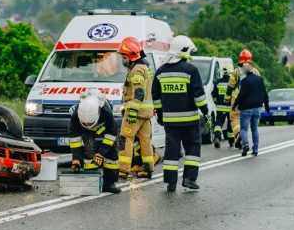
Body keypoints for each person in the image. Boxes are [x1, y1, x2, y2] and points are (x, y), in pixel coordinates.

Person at [151, 35, 207, 192]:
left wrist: (160, 115)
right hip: (190, 120)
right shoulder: (191, 70)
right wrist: (206, 112)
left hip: (170, 121)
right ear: (184, 50)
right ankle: (189, 179)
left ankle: (171, 182)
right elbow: (199, 96)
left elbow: (155, 96)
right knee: (193, 147)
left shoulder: (160, 72)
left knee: (172, 149)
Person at [117, 37, 156, 180]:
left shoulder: (137, 70)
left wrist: (132, 110)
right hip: (146, 113)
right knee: (145, 140)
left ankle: (123, 170)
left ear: (132, 56)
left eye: (124, 56)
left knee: (125, 138)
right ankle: (148, 168)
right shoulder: (144, 67)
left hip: (136, 112)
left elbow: (138, 92)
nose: (122, 59)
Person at [68, 90, 121, 193]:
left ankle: (109, 183)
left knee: (112, 153)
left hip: (104, 126)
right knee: (89, 152)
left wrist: (101, 153)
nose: (89, 127)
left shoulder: (107, 112)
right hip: (85, 129)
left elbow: (111, 134)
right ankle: (90, 182)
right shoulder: (76, 116)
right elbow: (75, 139)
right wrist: (76, 159)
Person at [232, 61, 270, 157]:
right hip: (257, 108)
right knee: (254, 129)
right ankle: (256, 149)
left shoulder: (245, 81)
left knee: (244, 129)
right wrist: (266, 105)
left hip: (246, 109)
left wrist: (235, 104)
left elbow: (241, 95)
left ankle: (245, 145)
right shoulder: (260, 79)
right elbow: (264, 93)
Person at [224, 50, 259, 149]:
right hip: (251, 101)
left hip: (237, 100)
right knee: (246, 120)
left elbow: (230, 86)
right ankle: (244, 140)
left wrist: (227, 99)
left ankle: (239, 135)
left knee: (234, 119)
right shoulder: (255, 71)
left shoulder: (237, 71)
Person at [209, 64, 232, 149]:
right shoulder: (232, 83)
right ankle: (231, 141)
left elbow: (213, 94)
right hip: (230, 108)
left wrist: (216, 102)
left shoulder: (218, 82)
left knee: (218, 123)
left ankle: (217, 138)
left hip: (219, 107)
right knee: (230, 125)